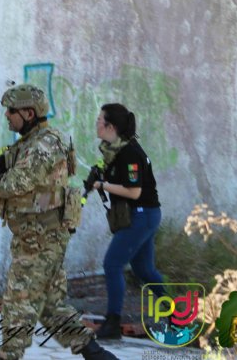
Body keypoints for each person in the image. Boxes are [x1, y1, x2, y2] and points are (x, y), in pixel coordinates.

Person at [0, 84, 118, 360]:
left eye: (11, 111)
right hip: (38, 235)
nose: (7, 115)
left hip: (40, 238)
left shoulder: (44, 144)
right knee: (49, 306)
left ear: (29, 113)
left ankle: (8, 354)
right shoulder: (32, 141)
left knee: (18, 300)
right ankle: (96, 354)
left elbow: (16, 183)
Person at [90, 103, 166, 339]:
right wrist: (100, 176)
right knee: (144, 270)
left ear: (110, 126)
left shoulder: (130, 153)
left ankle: (113, 322)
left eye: (99, 119)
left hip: (141, 215)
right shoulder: (114, 151)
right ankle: (176, 316)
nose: (96, 123)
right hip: (141, 215)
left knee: (112, 265)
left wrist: (102, 185)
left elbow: (133, 191)